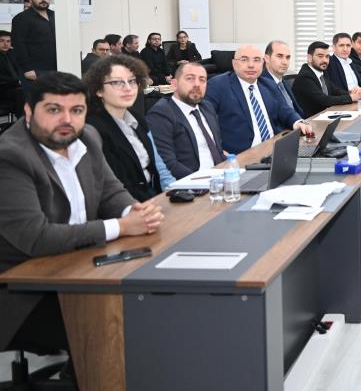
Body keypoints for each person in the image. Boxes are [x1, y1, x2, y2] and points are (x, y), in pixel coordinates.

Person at [0, 71, 164, 354]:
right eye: (54, 110)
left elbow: (110, 191)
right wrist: (123, 226)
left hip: (80, 263)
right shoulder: (10, 156)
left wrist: (135, 211)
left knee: (155, 300)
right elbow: (37, 238)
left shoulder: (87, 137)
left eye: (76, 110)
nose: (67, 119)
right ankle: (85, 372)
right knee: (120, 326)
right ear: (28, 111)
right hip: (22, 289)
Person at [204, 44, 311, 154]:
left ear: (262, 63)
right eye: (244, 60)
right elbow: (205, 124)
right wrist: (219, 152)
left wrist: (297, 122)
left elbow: (284, 110)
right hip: (241, 155)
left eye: (256, 60)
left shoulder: (268, 84)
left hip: (273, 148)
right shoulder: (217, 86)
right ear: (234, 64)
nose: (251, 65)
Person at [83, 54, 162, 201]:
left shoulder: (137, 119)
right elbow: (114, 185)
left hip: (153, 197)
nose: (128, 88)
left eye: (132, 81)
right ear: (98, 90)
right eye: (117, 82)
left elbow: (153, 170)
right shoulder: (93, 129)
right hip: (125, 204)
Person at [147, 62, 225, 180]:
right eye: (190, 78)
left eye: (202, 80)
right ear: (174, 84)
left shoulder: (206, 107)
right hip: (192, 184)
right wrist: (203, 183)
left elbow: (218, 150)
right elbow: (169, 164)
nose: (197, 84)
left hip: (221, 178)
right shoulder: (161, 113)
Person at [291, 40, 358, 118]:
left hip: (325, 114)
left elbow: (335, 90)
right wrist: (350, 98)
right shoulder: (305, 76)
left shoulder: (322, 72)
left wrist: (351, 93)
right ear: (309, 58)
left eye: (327, 57)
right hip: (312, 119)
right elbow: (324, 100)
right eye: (320, 56)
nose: (325, 60)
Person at [11, 0, 56, 84]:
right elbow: (18, 45)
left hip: (57, 67)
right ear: (30, 0)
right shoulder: (21, 18)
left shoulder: (55, 15)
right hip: (34, 70)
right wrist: (27, 69)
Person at [263, 40, 303, 117]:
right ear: (267, 58)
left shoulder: (284, 82)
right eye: (279, 56)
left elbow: (296, 110)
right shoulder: (261, 84)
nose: (285, 62)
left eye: (287, 57)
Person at [0, 30, 24, 116]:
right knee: (21, 92)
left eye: (8, 41)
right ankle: (22, 121)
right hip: (3, 88)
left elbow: (21, 69)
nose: (5, 44)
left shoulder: (11, 54)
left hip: (14, 87)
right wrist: (16, 81)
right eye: (2, 41)